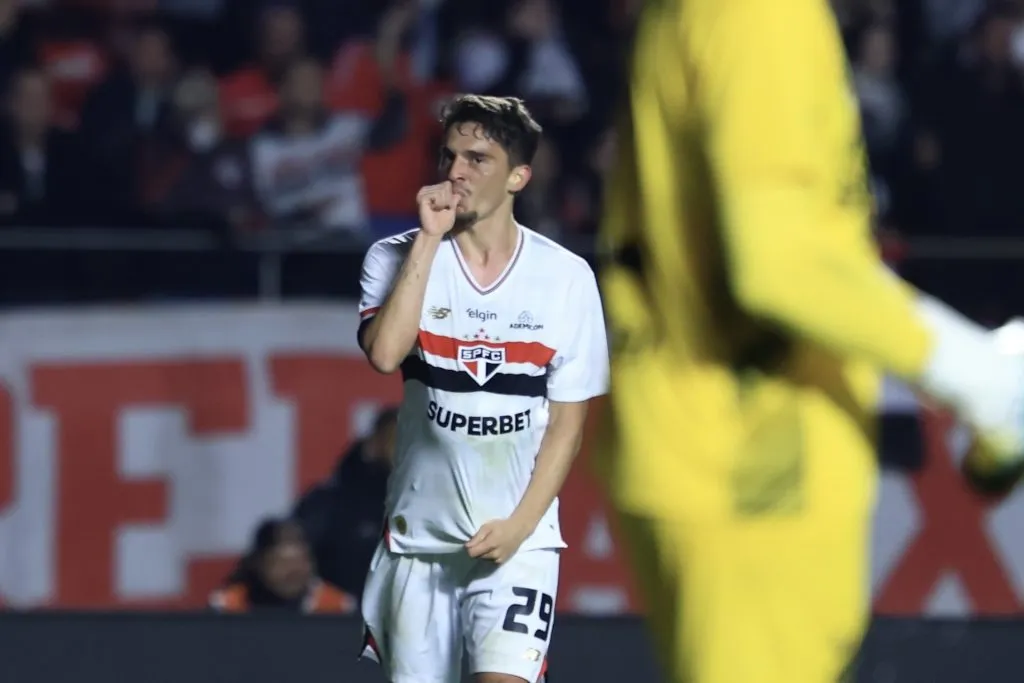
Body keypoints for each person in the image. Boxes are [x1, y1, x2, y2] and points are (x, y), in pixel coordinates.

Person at [596, 1, 1024, 682]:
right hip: (755, 464)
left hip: (699, 437)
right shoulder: (765, 15)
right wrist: (983, 379)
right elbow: (782, 262)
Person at [356, 94, 609, 683]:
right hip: (418, 541)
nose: (456, 172)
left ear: (518, 176)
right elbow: (385, 355)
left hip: (517, 543)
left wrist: (521, 526)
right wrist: (427, 239)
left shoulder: (566, 278)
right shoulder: (393, 256)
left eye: (477, 159)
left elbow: (567, 426)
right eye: (449, 156)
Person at [292, 407, 397, 598]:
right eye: (397, 439)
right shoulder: (328, 504)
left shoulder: (437, 505)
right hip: (341, 614)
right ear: (375, 444)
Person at [209, 517, 354, 614]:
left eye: (301, 561)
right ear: (259, 564)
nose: (294, 572)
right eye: (283, 563)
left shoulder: (338, 607)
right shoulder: (226, 607)